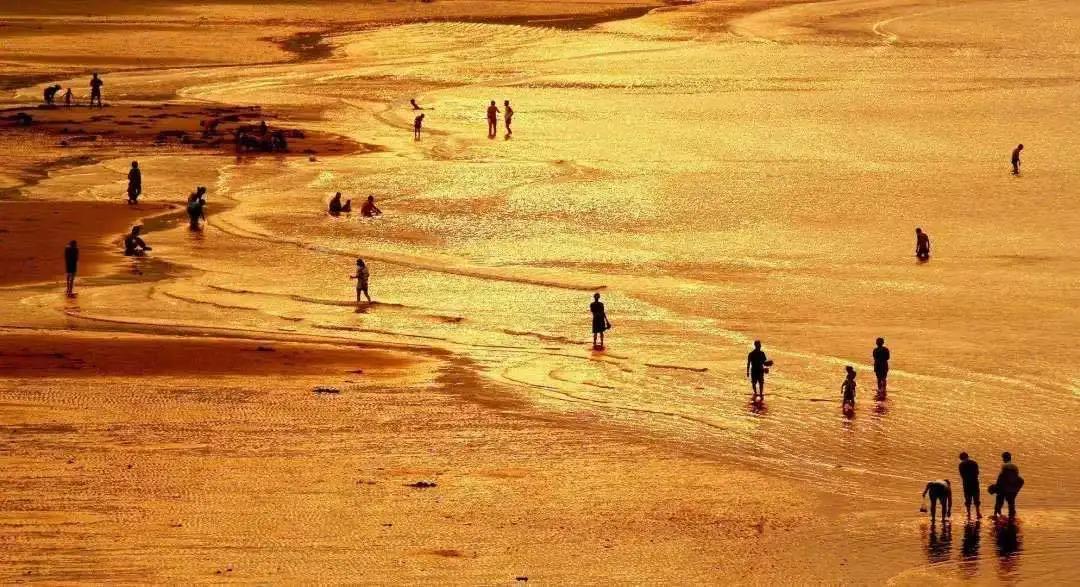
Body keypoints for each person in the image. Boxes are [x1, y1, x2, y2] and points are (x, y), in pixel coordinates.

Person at [992, 452, 1023, 519]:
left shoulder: (1004, 466)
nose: (1003, 459)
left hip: (1005, 487)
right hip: (1012, 488)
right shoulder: (1015, 467)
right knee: (1011, 503)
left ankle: (996, 514)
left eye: (1003, 458)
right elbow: (1016, 477)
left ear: (1004, 458)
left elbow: (1001, 477)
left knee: (999, 499)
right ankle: (1012, 516)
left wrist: (997, 487)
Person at [958, 452, 982, 519]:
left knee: (968, 498)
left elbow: (962, 475)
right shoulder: (974, 463)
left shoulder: (961, 465)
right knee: (976, 498)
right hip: (975, 482)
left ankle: (969, 514)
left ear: (961, 458)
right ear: (967, 456)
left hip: (966, 483)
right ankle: (978, 513)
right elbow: (977, 473)